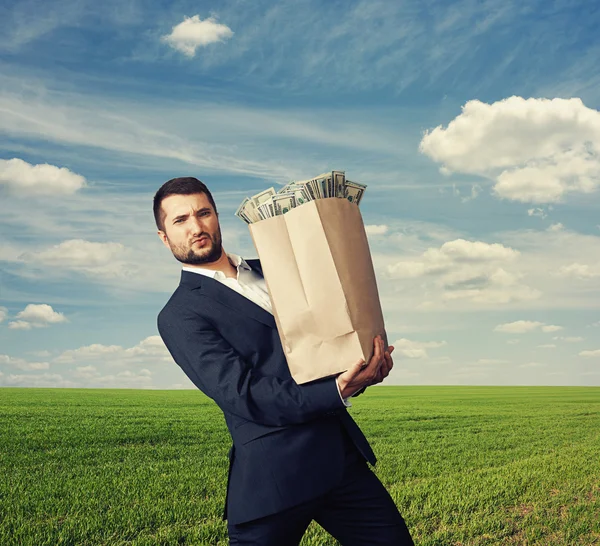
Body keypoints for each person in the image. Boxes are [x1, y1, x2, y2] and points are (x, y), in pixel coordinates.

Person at [154, 177, 414, 545]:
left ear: (216, 217)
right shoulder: (180, 315)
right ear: (164, 237)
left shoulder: (275, 268)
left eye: (203, 213)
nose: (196, 226)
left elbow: (322, 348)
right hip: (274, 481)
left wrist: (361, 368)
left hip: (339, 463)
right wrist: (337, 391)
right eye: (180, 220)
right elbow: (245, 394)